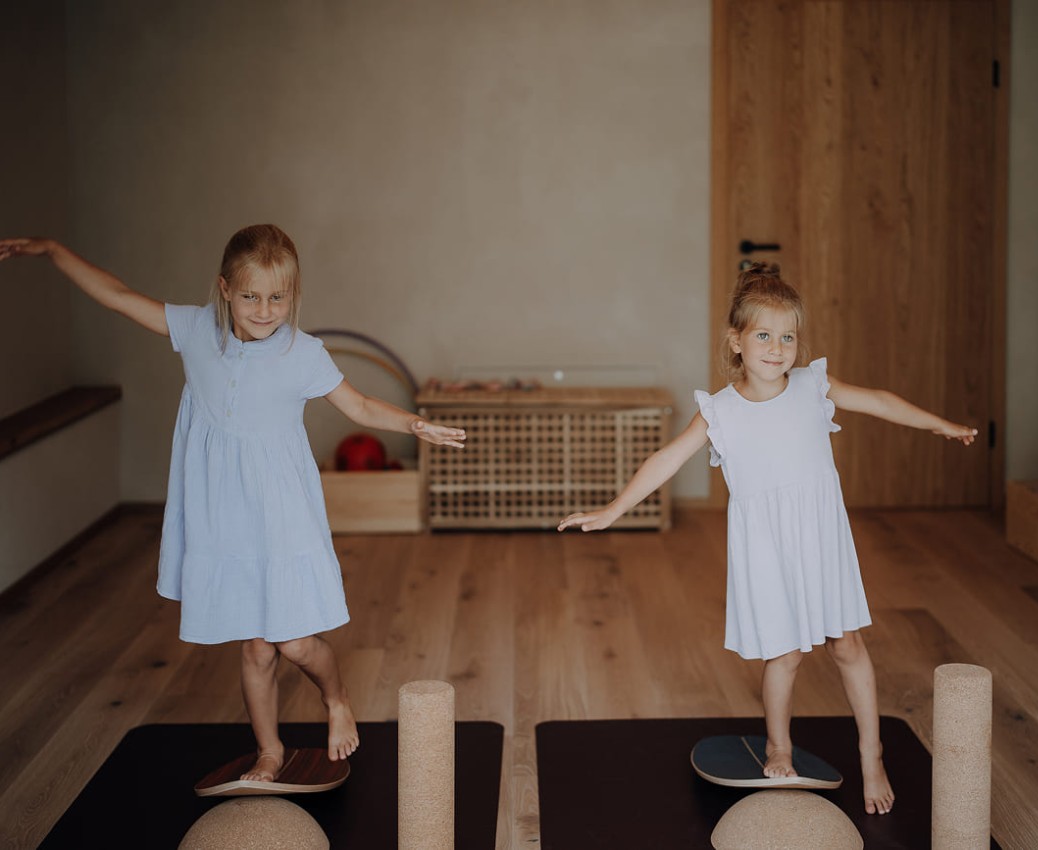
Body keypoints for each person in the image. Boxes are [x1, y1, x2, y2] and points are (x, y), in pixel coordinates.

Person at [0, 226, 466, 786]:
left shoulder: (302, 352)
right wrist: (53, 251)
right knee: (256, 647)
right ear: (224, 289)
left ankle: (336, 696)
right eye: (251, 295)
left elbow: (360, 405)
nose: (265, 310)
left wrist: (413, 424)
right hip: (224, 516)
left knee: (293, 641)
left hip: (282, 515)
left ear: (294, 294)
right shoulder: (196, 330)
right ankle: (269, 751)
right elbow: (119, 296)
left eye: (278, 296)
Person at [558, 262, 976, 815]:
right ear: (736, 341)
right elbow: (665, 460)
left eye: (787, 337)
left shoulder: (812, 386)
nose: (777, 349)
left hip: (821, 540)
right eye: (763, 335)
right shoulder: (720, 412)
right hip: (768, 552)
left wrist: (937, 424)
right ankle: (778, 746)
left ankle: (871, 755)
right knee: (786, 656)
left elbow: (878, 400)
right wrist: (613, 509)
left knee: (848, 645)